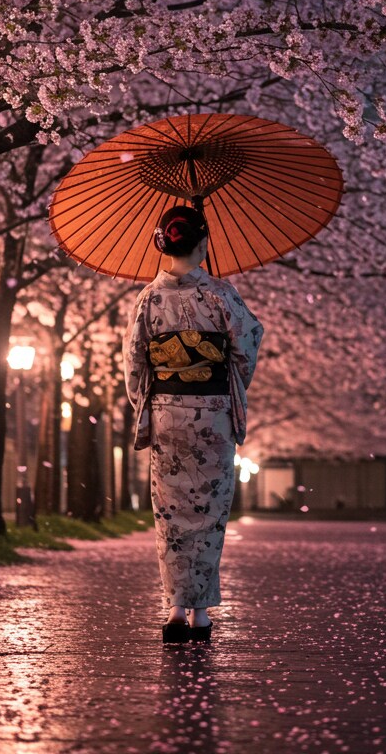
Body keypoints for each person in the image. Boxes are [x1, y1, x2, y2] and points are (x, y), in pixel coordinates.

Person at [124, 205, 263, 643]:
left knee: (170, 513)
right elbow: (247, 346)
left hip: (167, 412)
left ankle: (174, 609)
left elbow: (134, 364)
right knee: (209, 510)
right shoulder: (222, 295)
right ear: (203, 243)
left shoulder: (148, 298)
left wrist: (153, 400)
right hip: (214, 414)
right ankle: (201, 614)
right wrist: (225, 385)